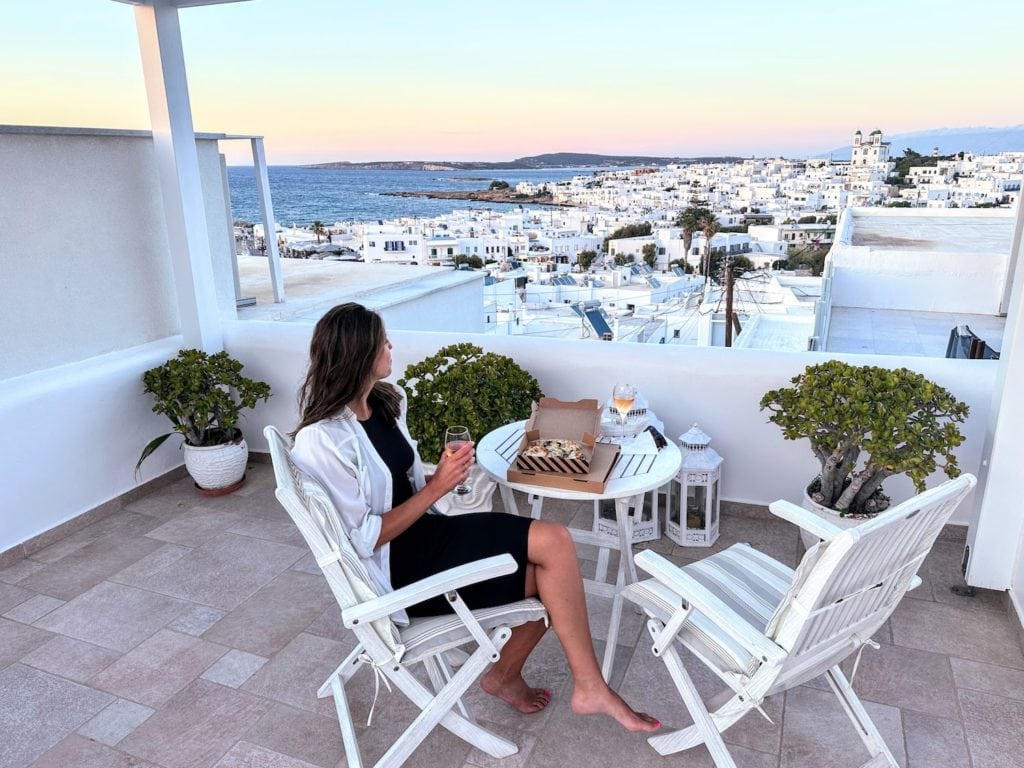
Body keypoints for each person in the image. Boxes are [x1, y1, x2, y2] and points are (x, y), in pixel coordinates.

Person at [291, 302, 659, 732]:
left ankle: (518, 677)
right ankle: (575, 686)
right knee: (553, 557)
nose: (391, 346)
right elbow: (362, 539)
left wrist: (435, 475)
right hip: (400, 571)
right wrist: (438, 487)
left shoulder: (382, 405)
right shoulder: (324, 440)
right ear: (358, 355)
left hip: (427, 534)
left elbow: (395, 484)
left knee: (554, 553)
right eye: (382, 341)